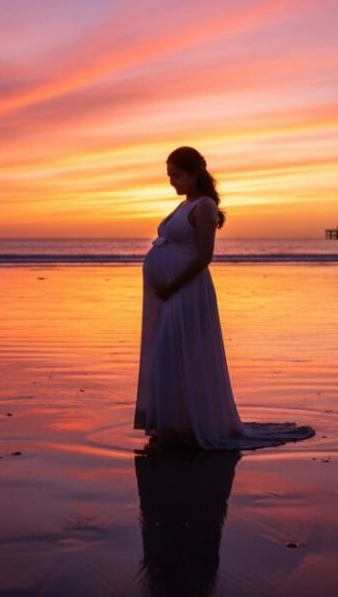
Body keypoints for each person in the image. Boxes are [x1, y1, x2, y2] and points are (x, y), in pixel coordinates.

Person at [134, 146, 314, 449]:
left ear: (193, 173)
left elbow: (205, 255)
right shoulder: (184, 205)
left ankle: (190, 425)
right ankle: (176, 423)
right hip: (171, 294)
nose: (171, 182)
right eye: (169, 176)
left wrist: (172, 286)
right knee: (168, 356)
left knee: (178, 354)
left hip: (186, 291)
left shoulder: (203, 206)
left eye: (176, 175)